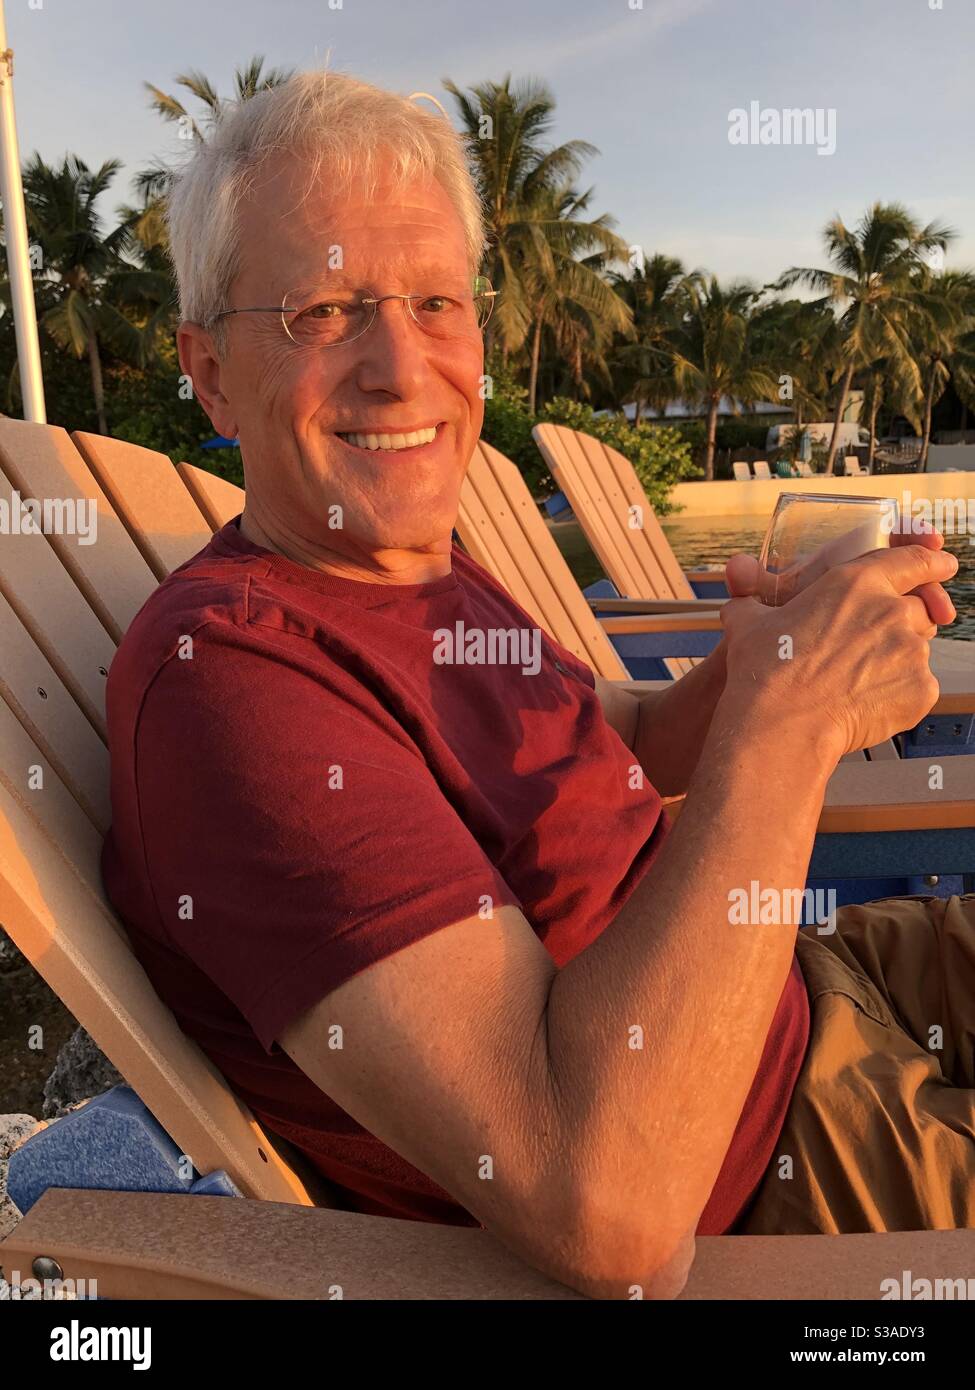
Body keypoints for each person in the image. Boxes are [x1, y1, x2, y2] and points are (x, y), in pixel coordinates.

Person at [101, 71, 974, 1301]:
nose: (401, 367)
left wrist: (730, 687)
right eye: (323, 310)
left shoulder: (422, 569)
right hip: (777, 1162)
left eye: (435, 301)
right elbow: (604, 1203)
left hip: (813, 982)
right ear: (210, 371)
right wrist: (787, 729)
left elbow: (602, 730)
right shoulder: (231, 683)